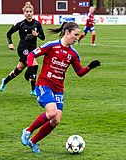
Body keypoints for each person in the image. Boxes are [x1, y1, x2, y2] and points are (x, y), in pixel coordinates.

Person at [21, 22, 101, 153]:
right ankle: (28, 130)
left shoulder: (73, 54)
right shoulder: (51, 46)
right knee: (51, 112)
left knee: (56, 120)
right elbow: (31, 55)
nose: (77, 38)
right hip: (44, 83)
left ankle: (33, 141)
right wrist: (30, 68)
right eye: (75, 35)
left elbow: (79, 72)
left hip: (58, 88)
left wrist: (90, 67)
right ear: (67, 32)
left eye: (78, 35)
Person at [0, 2, 45, 95]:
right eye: (27, 11)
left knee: (18, 69)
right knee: (34, 65)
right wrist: (10, 43)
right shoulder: (20, 24)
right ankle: (33, 90)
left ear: (33, 12)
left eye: (30, 11)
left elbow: (43, 37)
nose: (28, 13)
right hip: (23, 49)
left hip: (32, 50)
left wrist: (37, 35)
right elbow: (8, 33)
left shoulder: (37, 24)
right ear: (24, 13)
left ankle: (5, 81)